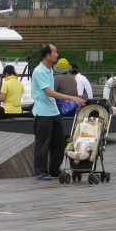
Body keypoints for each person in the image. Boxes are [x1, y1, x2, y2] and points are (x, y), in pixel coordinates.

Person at [31, 44, 86, 180]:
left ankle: (54, 170)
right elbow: (49, 92)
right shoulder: (39, 71)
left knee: (59, 143)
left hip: (54, 111)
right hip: (42, 112)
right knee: (42, 144)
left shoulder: (50, 70)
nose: (57, 54)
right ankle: (40, 172)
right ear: (47, 55)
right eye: (55, 52)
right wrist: (71, 97)